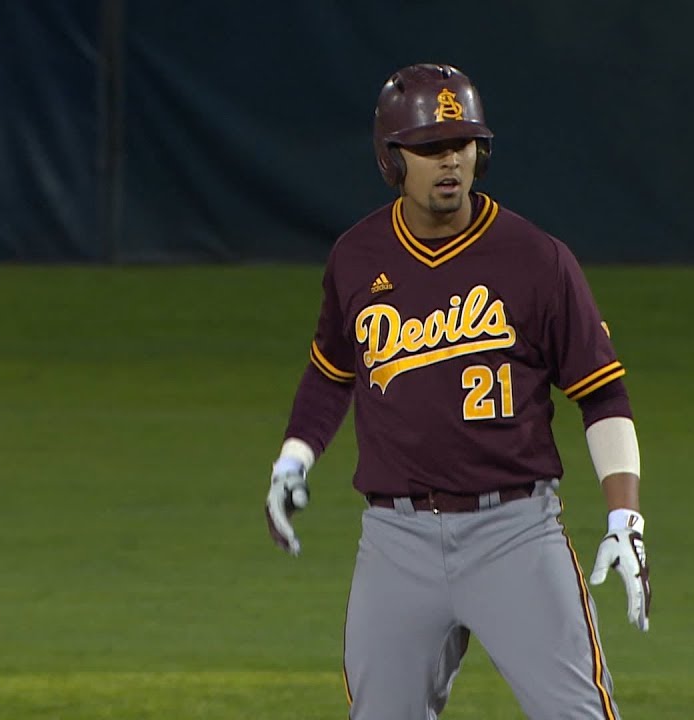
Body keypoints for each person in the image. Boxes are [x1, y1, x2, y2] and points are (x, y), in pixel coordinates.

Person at [263, 63, 650, 719]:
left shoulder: (537, 258)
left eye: (461, 144)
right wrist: (294, 457)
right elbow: (332, 372)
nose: (450, 162)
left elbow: (601, 393)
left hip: (516, 536)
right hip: (395, 541)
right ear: (392, 160)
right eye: (429, 149)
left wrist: (625, 515)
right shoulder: (357, 258)